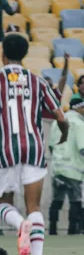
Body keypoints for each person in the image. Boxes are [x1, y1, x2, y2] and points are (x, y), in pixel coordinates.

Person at [0, 34, 69, 255]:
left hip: (6, 150)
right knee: (34, 208)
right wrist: (62, 136)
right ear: (25, 55)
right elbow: (61, 117)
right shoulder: (38, 82)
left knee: (2, 204)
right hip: (35, 149)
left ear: (2, 55)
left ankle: (20, 225)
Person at [49, 97, 84, 235]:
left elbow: (51, 146)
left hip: (57, 168)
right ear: (79, 108)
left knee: (56, 200)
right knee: (75, 200)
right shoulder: (80, 124)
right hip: (73, 170)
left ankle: (52, 229)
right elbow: (82, 148)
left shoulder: (56, 122)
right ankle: (72, 230)